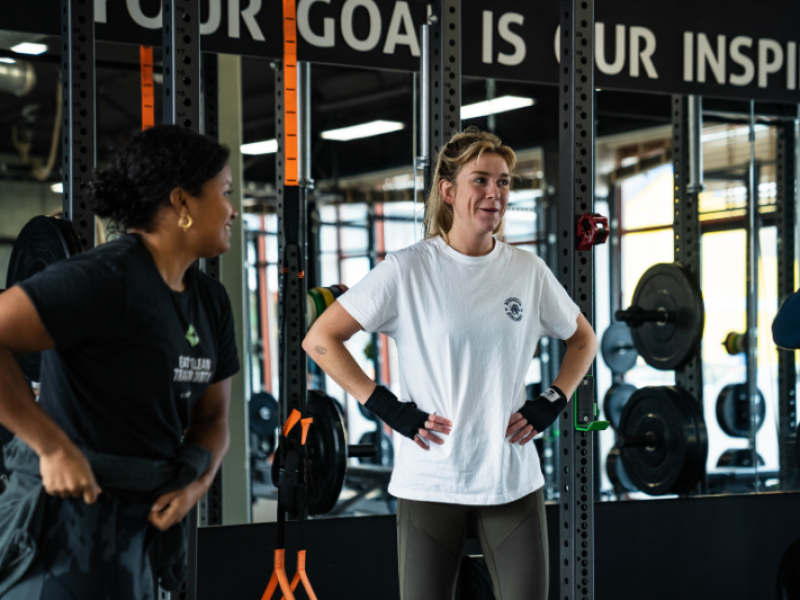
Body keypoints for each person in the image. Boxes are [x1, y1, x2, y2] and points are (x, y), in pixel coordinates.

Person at [303, 127, 597, 600]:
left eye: (503, 182)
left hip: (510, 475)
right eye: (480, 180)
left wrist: (553, 401)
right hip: (432, 475)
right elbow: (320, 339)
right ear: (448, 190)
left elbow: (583, 339)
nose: (494, 193)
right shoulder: (408, 268)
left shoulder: (527, 270)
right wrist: (387, 407)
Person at [0, 125, 240, 599]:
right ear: (183, 203)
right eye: (225, 193)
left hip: (136, 533)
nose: (233, 210)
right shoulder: (103, 279)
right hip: (61, 527)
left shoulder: (210, 301)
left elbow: (212, 419)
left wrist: (196, 483)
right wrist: (50, 447)